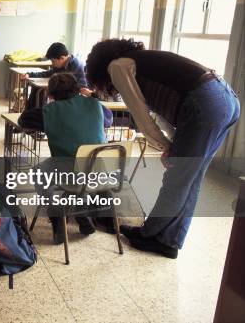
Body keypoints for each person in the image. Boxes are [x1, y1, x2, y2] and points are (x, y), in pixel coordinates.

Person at [85, 38, 240, 259]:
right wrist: (171, 145)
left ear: (100, 68)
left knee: (177, 179)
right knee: (190, 178)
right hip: (225, 99)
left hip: (206, 102)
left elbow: (141, 117)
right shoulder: (143, 62)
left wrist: (167, 146)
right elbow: (162, 111)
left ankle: (150, 235)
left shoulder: (117, 67)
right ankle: (168, 240)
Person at [18, 72, 113, 243]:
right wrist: (92, 96)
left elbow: (23, 120)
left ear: (51, 94)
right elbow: (109, 119)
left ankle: (56, 216)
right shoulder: (95, 105)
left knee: (39, 173)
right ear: (78, 89)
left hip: (71, 172)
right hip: (101, 171)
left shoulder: (49, 112)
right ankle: (81, 213)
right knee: (78, 176)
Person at [22, 43, 92, 110]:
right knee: (36, 88)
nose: (52, 64)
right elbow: (48, 73)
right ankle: (32, 112)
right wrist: (30, 74)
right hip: (65, 94)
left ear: (62, 58)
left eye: (53, 61)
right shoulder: (62, 64)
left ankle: (37, 113)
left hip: (74, 96)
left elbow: (72, 86)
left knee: (43, 91)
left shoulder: (75, 64)